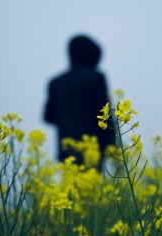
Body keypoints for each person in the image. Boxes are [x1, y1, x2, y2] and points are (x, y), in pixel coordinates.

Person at [44, 35, 114, 169]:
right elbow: (104, 115)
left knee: (71, 188)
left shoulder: (56, 82)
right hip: (93, 150)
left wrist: (67, 118)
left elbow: (48, 117)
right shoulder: (96, 77)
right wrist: (111, 145)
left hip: (66, 151)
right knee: (92, 188)